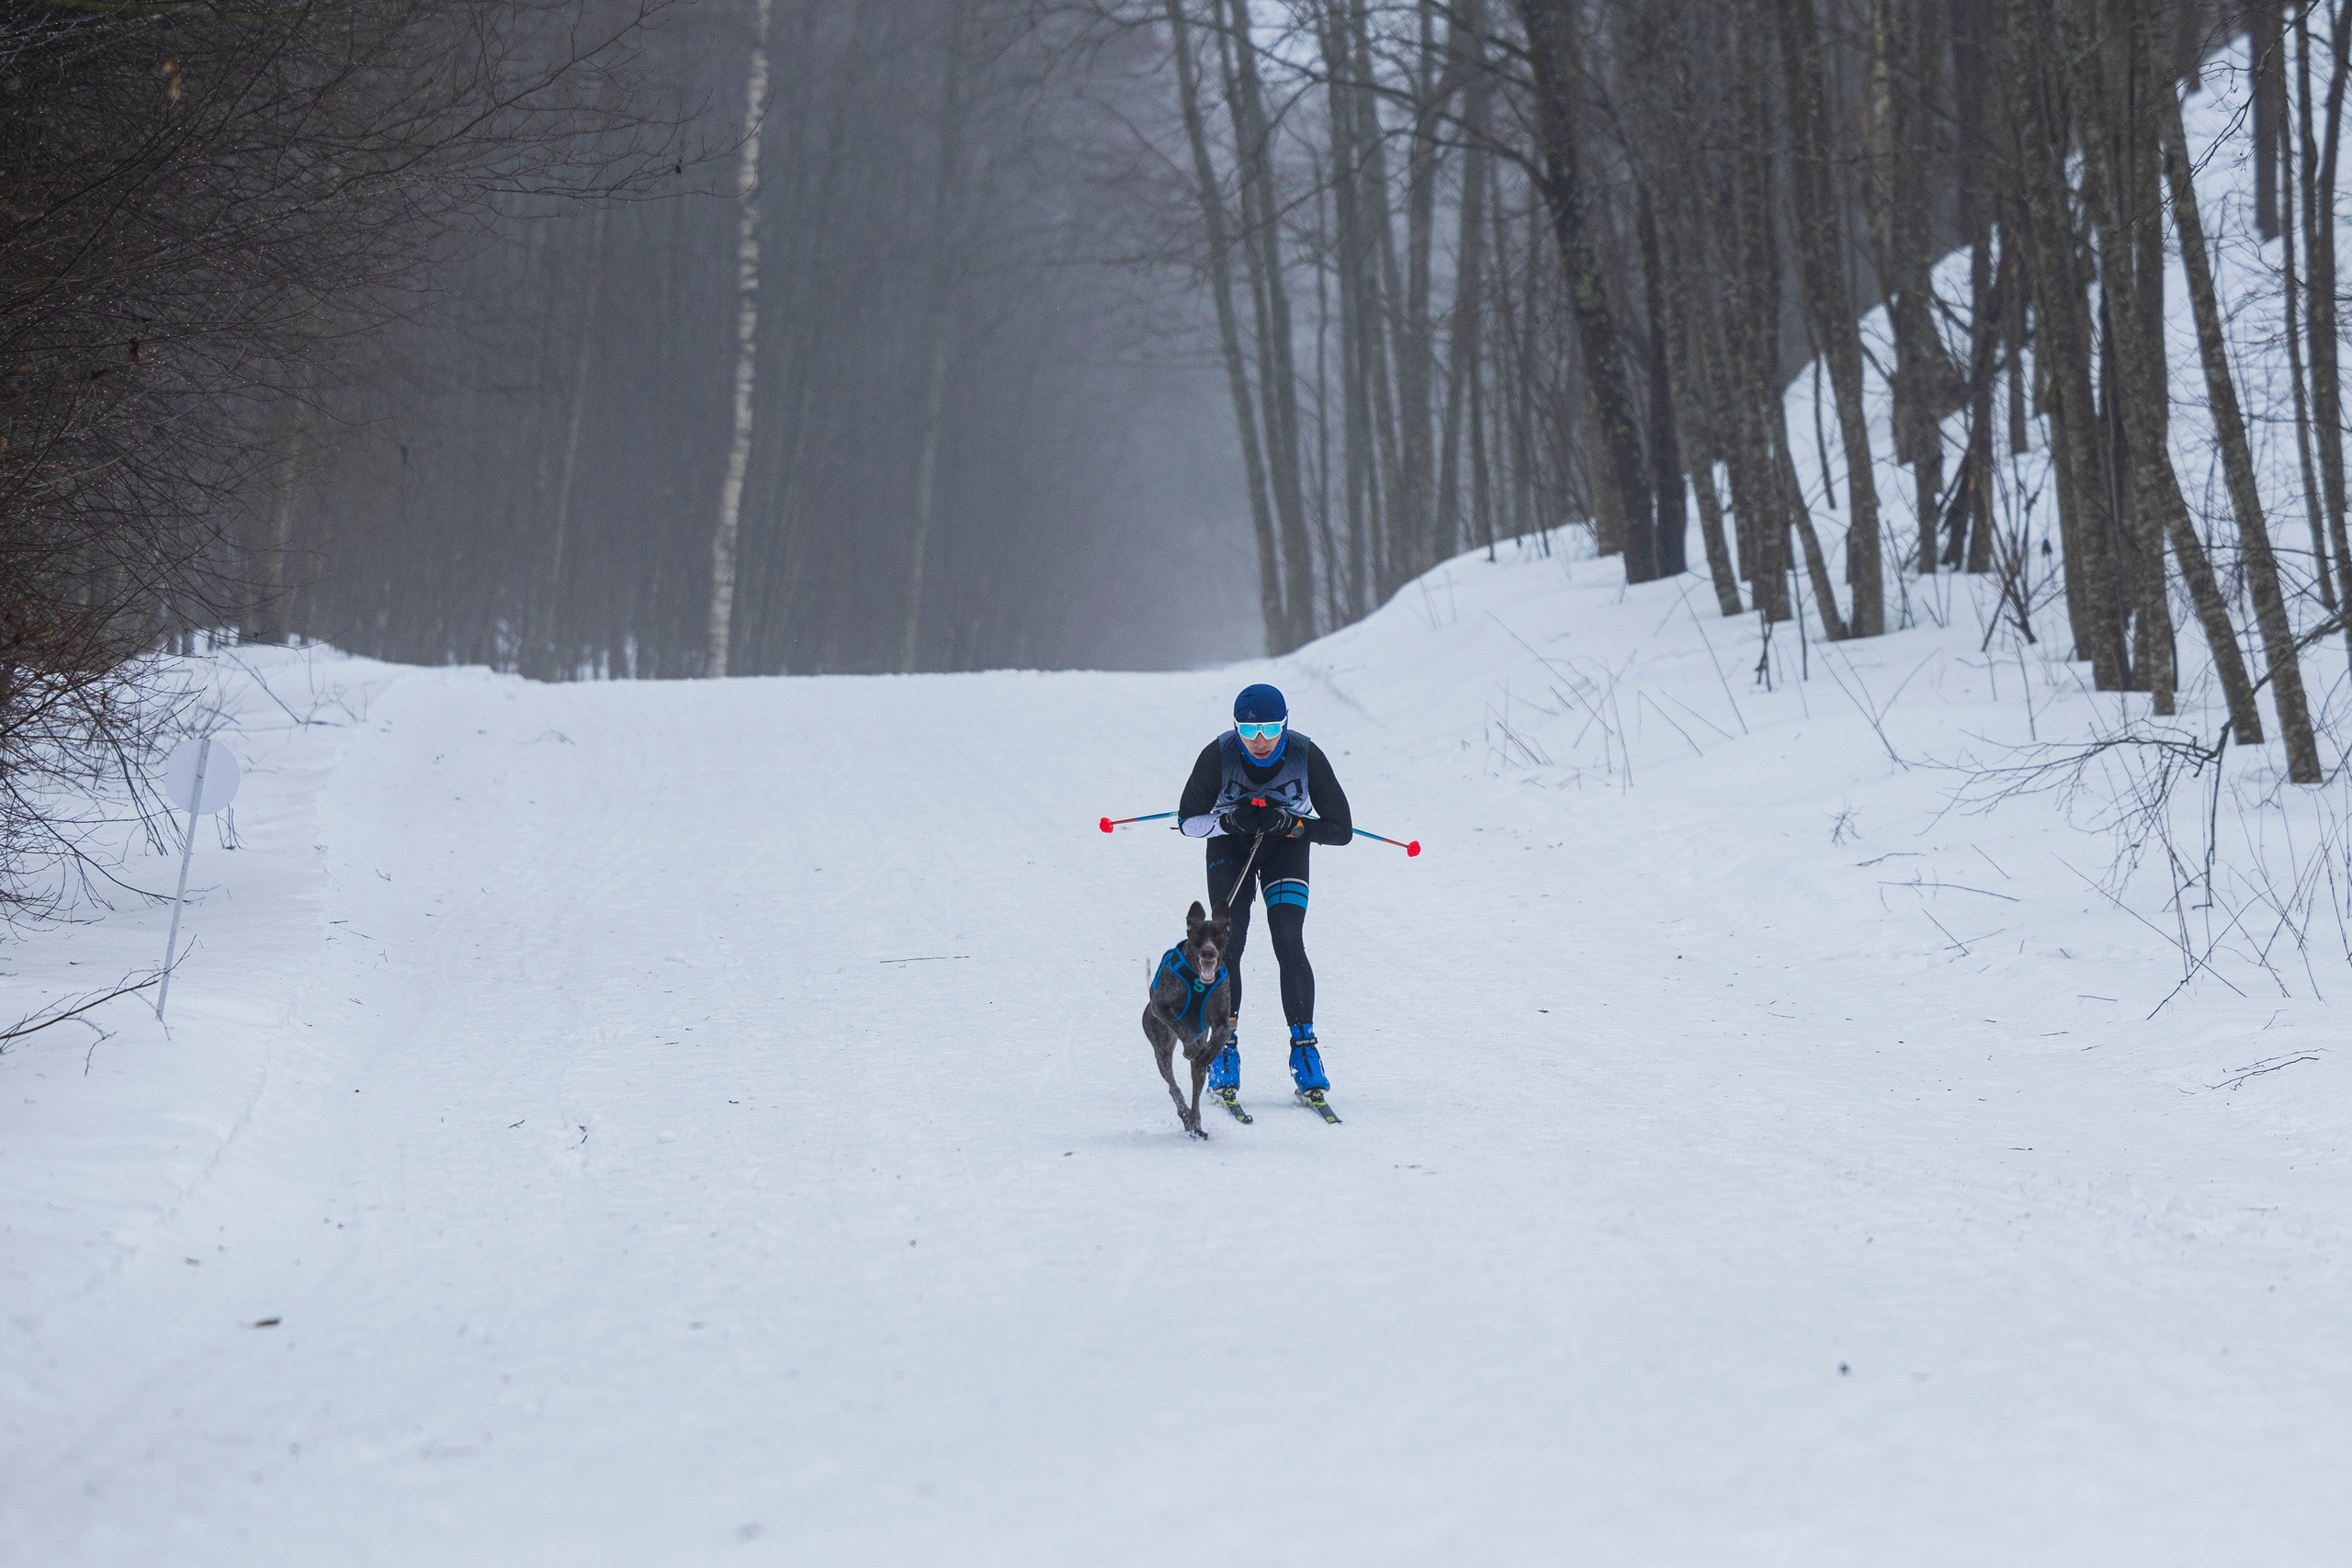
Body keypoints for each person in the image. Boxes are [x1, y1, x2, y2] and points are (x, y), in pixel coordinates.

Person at [1176, 682, 1352, 1099]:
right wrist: (1229, 822)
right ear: (1235, 727)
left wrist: (1292, 824)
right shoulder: (1216, 757)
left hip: (1286, 849)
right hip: (1229, 846)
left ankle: (1305, 1050)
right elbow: (1187, 821)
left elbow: (1341, 830)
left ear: (1285, 725)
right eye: (1249, 731)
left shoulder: (1306, 755)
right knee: (1225, 948)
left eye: (1271, 730)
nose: (1259, 741)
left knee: (1289, 940)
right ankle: (1224, 1046)